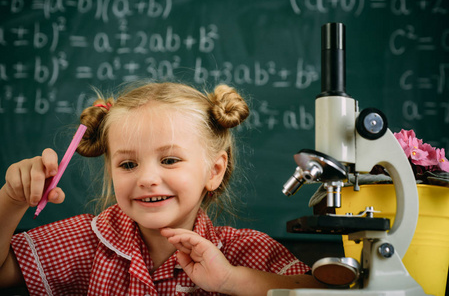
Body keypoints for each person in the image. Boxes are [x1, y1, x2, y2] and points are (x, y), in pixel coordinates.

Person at [0, 82, 325, 295]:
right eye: (128, 165)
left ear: (214, 171)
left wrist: (229, 280)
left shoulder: (246, 252)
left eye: (169, 160)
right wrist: (11, 200)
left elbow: (323, 291)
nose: (146, 178)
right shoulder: (88, 241)